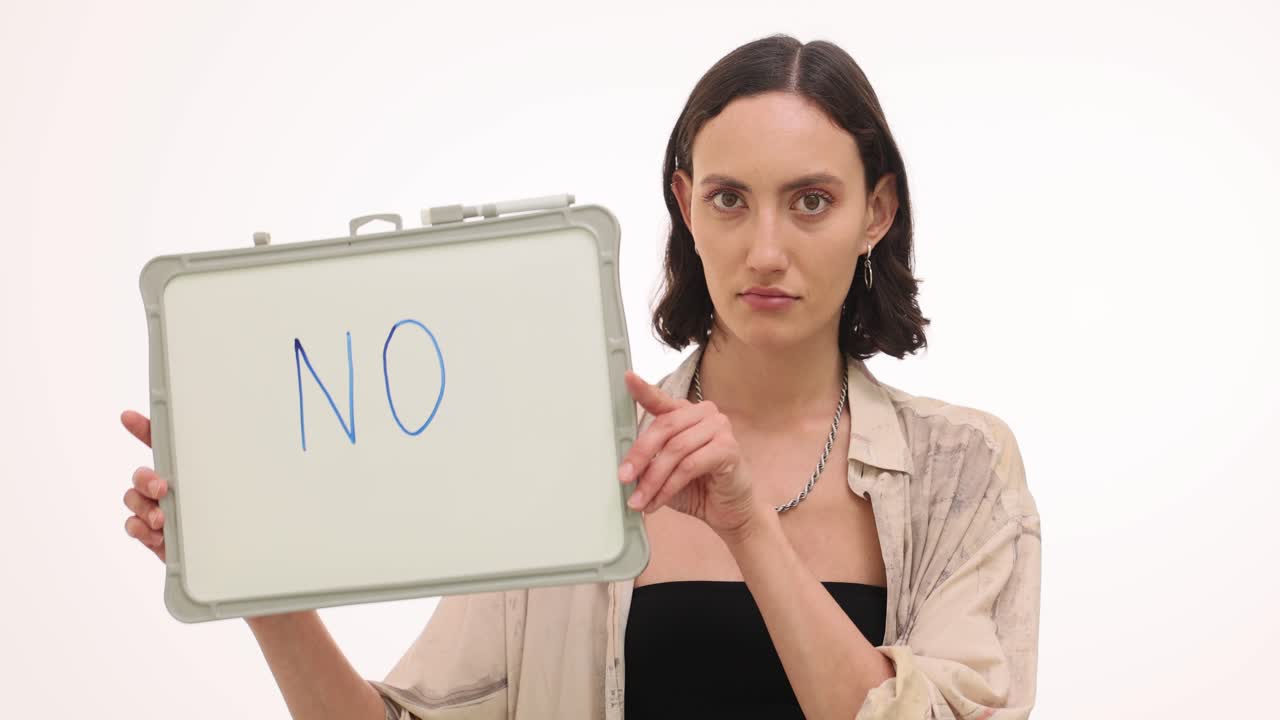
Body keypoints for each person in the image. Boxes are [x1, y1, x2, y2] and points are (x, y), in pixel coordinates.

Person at [121, 33, 1040, 720]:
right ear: (685, 204)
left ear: (876, 209)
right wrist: (257, 582)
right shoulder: (565, 466)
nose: (766, 250)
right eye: (728, 199)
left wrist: (749, 526)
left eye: (812, 201)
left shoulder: (964, 468)